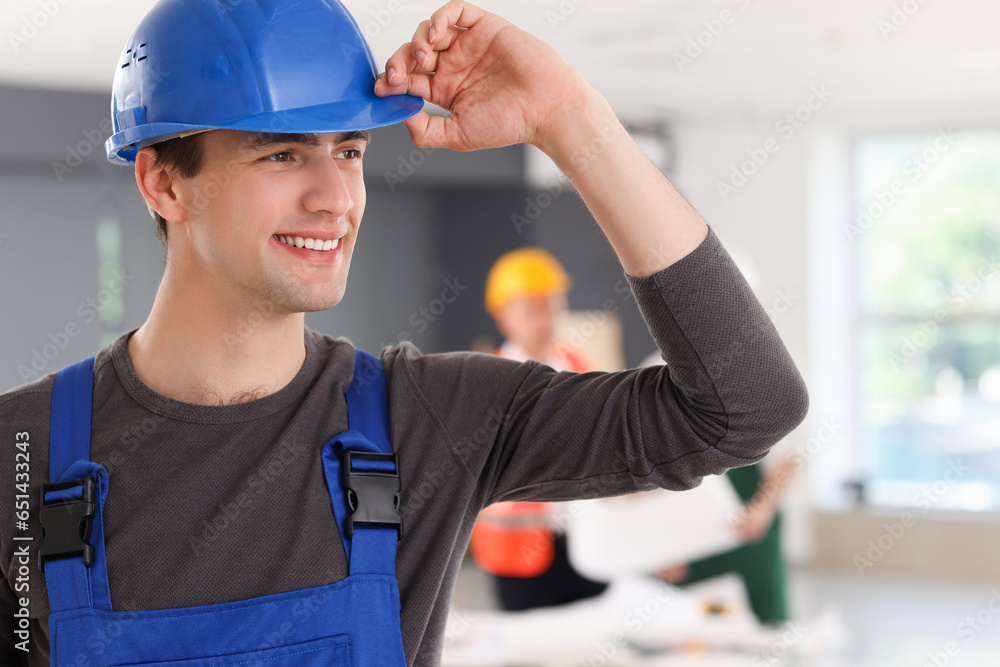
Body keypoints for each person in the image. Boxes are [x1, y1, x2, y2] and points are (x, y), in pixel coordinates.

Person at [0, 1, 810, 664]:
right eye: (282, 155)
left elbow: (744, 407)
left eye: (348, 151)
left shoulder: (429, 419)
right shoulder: (22, 452)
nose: (335, 197)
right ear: (164, 182)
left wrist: (570, 119)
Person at [470, 248, 608, 611]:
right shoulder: (486, 379)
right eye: (533, 310)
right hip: (519, 555)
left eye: (551, 306)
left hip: (585, 543)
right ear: (504, 319)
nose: (545, 319)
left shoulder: (579, 365)